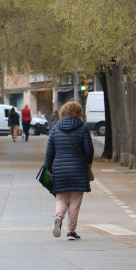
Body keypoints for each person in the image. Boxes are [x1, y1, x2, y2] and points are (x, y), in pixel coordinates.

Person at [44, 101, 94, 241]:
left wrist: (48, 169)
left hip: (60, 170)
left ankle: (59, 216)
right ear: (79, 113)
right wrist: (88, 162)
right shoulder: (83, 129)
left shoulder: (55, 129)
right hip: (78, 170)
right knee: (75, 201)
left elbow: (49, 153)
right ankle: (71, 232)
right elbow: (89, 151)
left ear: (62, 112)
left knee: (61, 198)